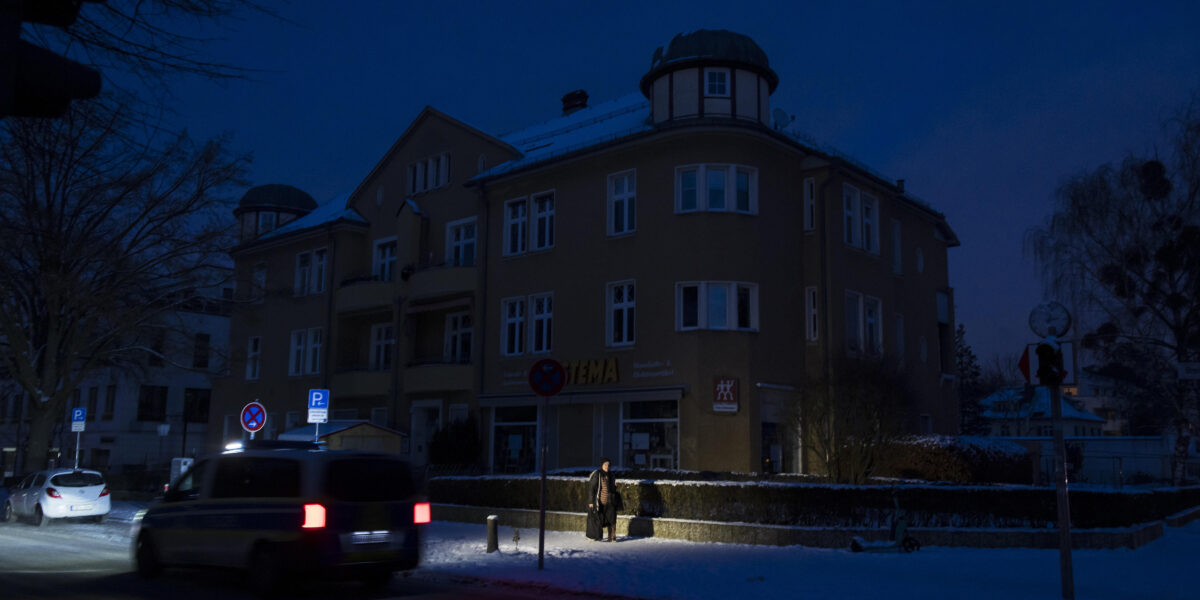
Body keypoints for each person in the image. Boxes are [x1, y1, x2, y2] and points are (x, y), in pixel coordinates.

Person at [587, 458, 619, 542]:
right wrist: (591, 501)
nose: (607, 466)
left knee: (612, 518)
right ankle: (594, 536)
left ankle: (612, 536)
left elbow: (612, 488)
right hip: (600, 501)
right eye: (605, 465)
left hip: (610, 500)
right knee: (597, 518)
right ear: (602, 465)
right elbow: (591, 488)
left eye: (608, 465)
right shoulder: (597, 474)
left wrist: (615, 486)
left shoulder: (611, 475)